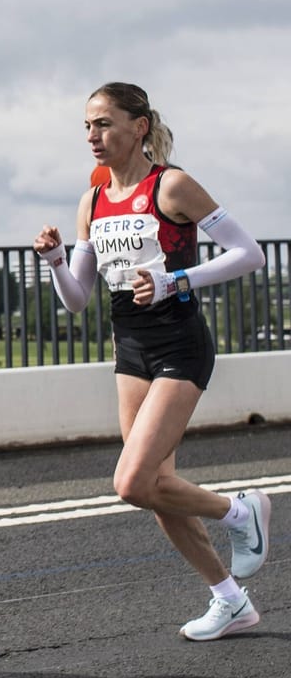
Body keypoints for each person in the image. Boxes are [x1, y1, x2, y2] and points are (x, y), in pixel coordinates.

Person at [34, 82, 268, 641]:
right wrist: (55, 261)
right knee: (156, 485)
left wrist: (175, 279)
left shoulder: (172, 186)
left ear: (138, 127)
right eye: (87, 126)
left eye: (105, 123)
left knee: (132, 481)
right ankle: (229, 600)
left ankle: (241, 511)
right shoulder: (92, 201)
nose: (93, 136)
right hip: (129, 350)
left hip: (179, 343)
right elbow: (78, 298)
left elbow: (249, 253)